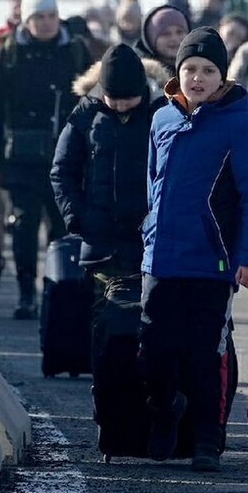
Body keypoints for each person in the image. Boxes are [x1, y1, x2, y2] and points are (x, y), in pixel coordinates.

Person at [139, 27, 248, 472]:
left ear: (222, 77)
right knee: (153, 350)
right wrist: (148, 234)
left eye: (208, 70)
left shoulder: (239, 124)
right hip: (161, 258)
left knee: (205, 353)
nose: (198, 78)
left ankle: (206, 440)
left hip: (212, 261)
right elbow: (153, 185)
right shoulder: (161, 119)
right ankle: (164, 409)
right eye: (190, 69)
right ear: (178, 73)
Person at [0, 0, 91, 318]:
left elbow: (92, 103)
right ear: (26, 20)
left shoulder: (74, 51)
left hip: (65, 156)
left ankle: (58, 290)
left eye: (51, 16)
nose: (46, 22)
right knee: (24, 226)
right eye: (39, 17)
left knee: (62, 227)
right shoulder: (8, 53)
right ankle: (26, 292)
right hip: (21, 160)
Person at [51, 44, 157, 310]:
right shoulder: (86, 114)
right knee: (100, 316)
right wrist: (77, 217)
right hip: (100, 242)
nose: (120, 106)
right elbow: (63, 171)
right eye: (113, 99)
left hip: (149, 242)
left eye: (128, 99)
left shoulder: (159, 113)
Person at [70, 4, 184, 105]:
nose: (174, 38)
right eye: (165, 34)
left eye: (180, 32)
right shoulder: (134, 70)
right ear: (151, 37)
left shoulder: (192, 70)